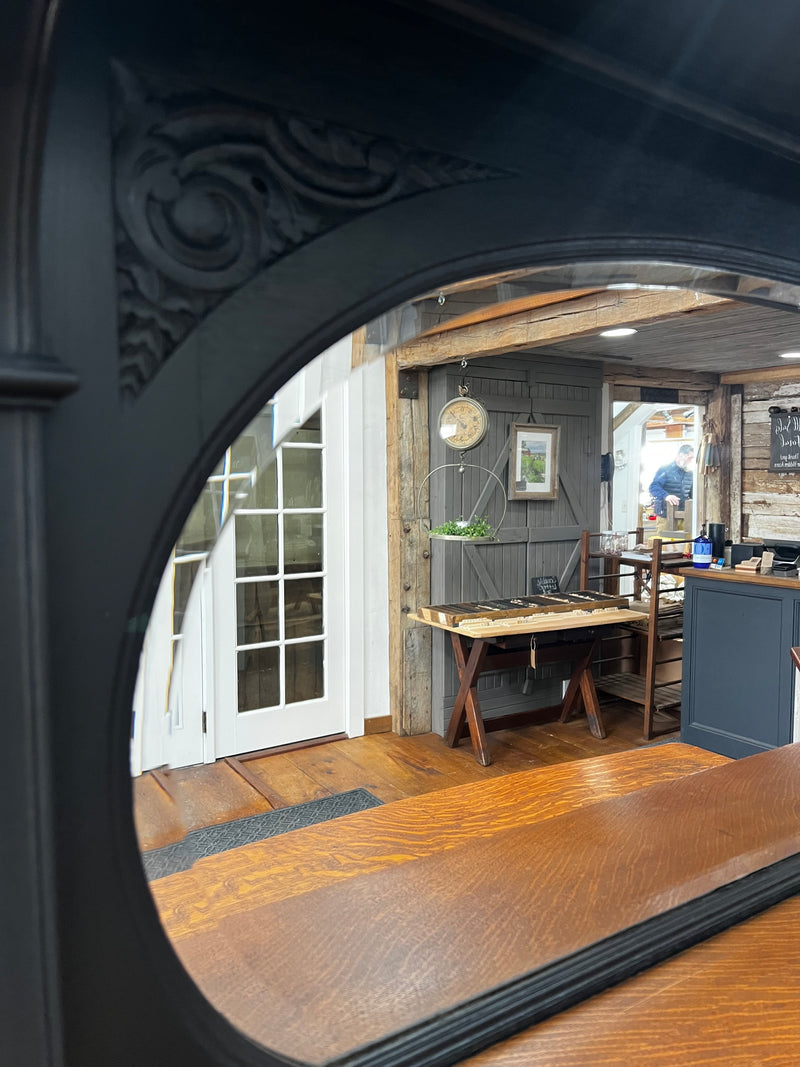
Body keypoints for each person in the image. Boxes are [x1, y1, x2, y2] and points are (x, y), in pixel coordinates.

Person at [649, 444, 694, 531]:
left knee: (683, 543)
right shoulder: (665, 470)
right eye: (690, 458)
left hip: (683, 515)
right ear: (681, 455)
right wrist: (666, 496)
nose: (690, 461)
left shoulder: (689, 474)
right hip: (665, 515)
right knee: (664, 543)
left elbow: (692, 494)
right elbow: (653, 487)